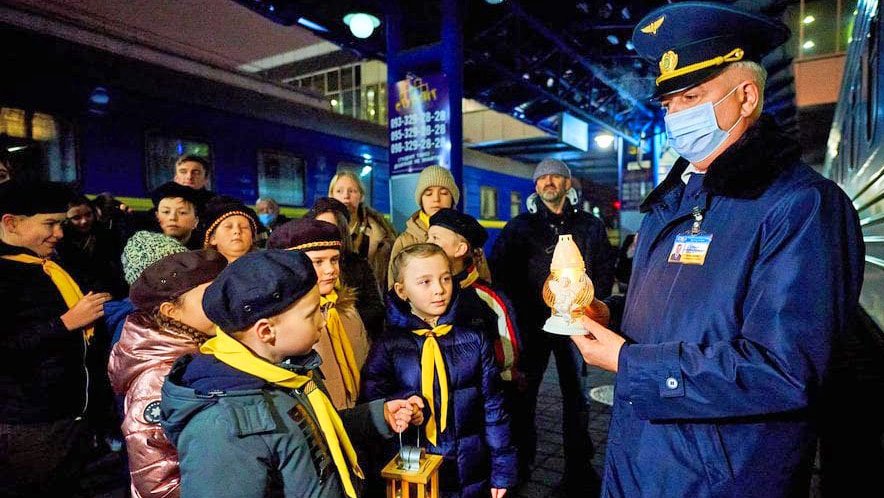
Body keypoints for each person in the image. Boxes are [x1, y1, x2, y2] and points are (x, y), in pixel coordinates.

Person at [567, 4, 864, 497]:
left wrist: (631, 364)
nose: (676, 116)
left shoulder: (801, 207)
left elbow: (786, 370)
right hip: (640, 458)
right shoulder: (673, 202)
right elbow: (685, 316)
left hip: (719, 478)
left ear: (746, 96)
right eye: (669, 103)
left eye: (692, 97)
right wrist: (609, 315)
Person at [160, 250, 423, 498]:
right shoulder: (222, 427)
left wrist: (374, 417)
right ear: (266, 331)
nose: (323, 321)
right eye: (312, 314)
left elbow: (308, 437)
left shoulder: (288, 371)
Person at [489, 157, 615, 494]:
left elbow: (604, 267)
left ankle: (579, 467)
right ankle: (521, 464)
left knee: (577, 396)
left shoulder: (589, 226)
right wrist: (516, 314)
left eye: (556, 177)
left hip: (576, 323)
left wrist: (593, 306)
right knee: (525, 395)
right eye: (542, 177)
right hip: (533, 325)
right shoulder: (519, 228)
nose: (548, 181)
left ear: (567, 184)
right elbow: (500, 272)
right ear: (535, 186)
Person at [362, 243, 517, 498]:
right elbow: (372, 404)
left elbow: (494, 408)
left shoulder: (474, 339)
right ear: (402, 290)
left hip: (470, 470)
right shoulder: (389, 346)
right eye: (425, 282)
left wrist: (502, 469)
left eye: (445, 278)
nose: (439, 289)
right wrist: (401, 407)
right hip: (415, 472)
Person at [0, 181, 112, 497]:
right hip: (27, 425)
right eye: (49, 224)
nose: (59, 233)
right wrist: (65, 324)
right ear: (11, 223)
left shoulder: (52, 265)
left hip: (69, 420)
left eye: (61, 224)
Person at [108, 250, 227, 498]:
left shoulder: (206, 346)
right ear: (171, 311)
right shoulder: (158, 378)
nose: (224, 301)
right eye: (210, 295)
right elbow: (157, 481)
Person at [268, 218, 370, 409]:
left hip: (357, 413)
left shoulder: (346, 308)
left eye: (334, 260)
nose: (330, 270)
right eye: (318, 262)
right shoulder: (286, 321)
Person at [427, 208, 521, 387]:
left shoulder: (488, 298)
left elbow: (507, 356)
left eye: (435, 238)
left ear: (460, 249)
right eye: (428, 237)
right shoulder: (419, 292)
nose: (427, 243)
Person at [308, 196, 386, 338]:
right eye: (318, 227)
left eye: (330, 228)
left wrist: (345, 318)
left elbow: (375, 310)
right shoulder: (303, 264)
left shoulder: (358, 265)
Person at [329, 170, 396, 289]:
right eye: (339, 191)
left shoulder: (381, 232)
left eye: (352, 191)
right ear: (331, 196)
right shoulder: (322, 230)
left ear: (361, 196)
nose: (346, 196)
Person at [57, 195, 128, 299]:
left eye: (88, 215)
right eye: (76, 218)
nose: (84, 221)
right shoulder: (60, 242)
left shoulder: (105, 234)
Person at [151, 182, 201, 249]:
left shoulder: (205, 251)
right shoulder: (144, 247)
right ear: (157, 217)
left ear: (196, 221)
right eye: (166, 212)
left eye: (182, 212)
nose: (172, 218)